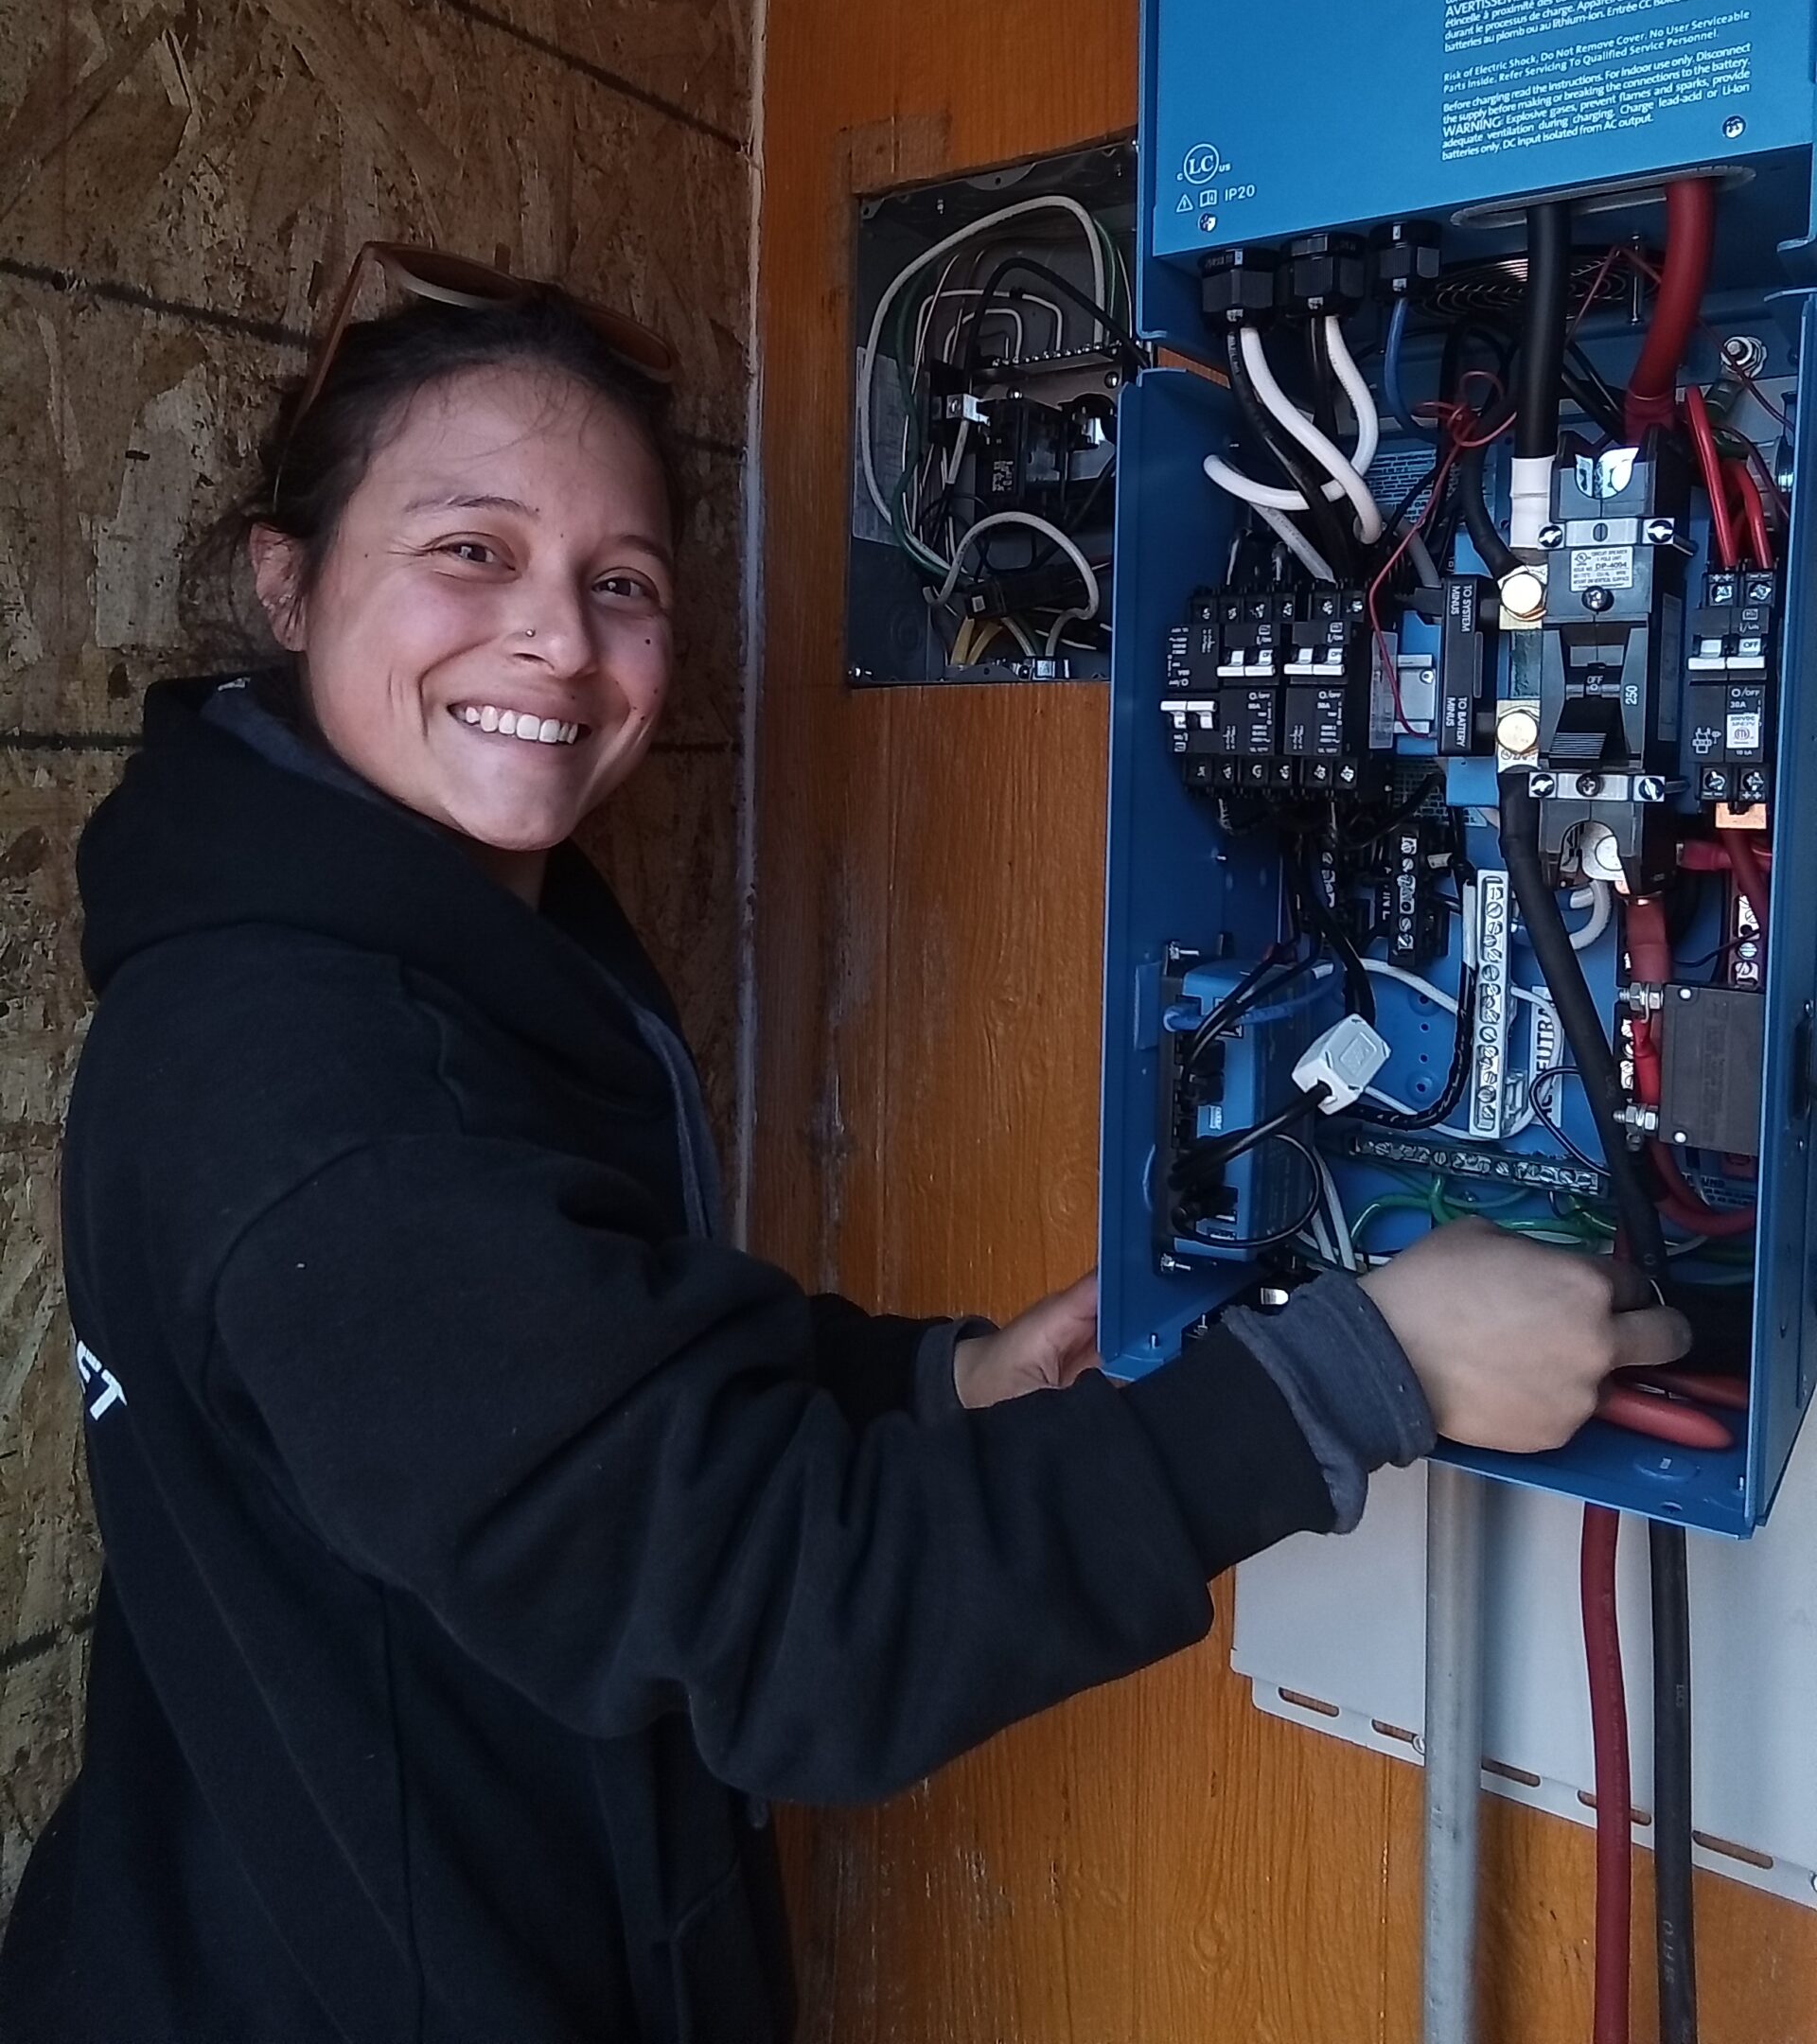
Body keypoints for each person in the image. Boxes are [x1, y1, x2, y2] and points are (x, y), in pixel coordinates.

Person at [0, 254, 1689, 2044]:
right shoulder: (306, 1081)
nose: (558, 640)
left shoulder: (415, 944)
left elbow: (578, 1370)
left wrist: (929, 1388)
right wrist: (1364, 1373)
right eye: (471, 549)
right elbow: (793, 1624)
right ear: (287, 580)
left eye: (621, 583)